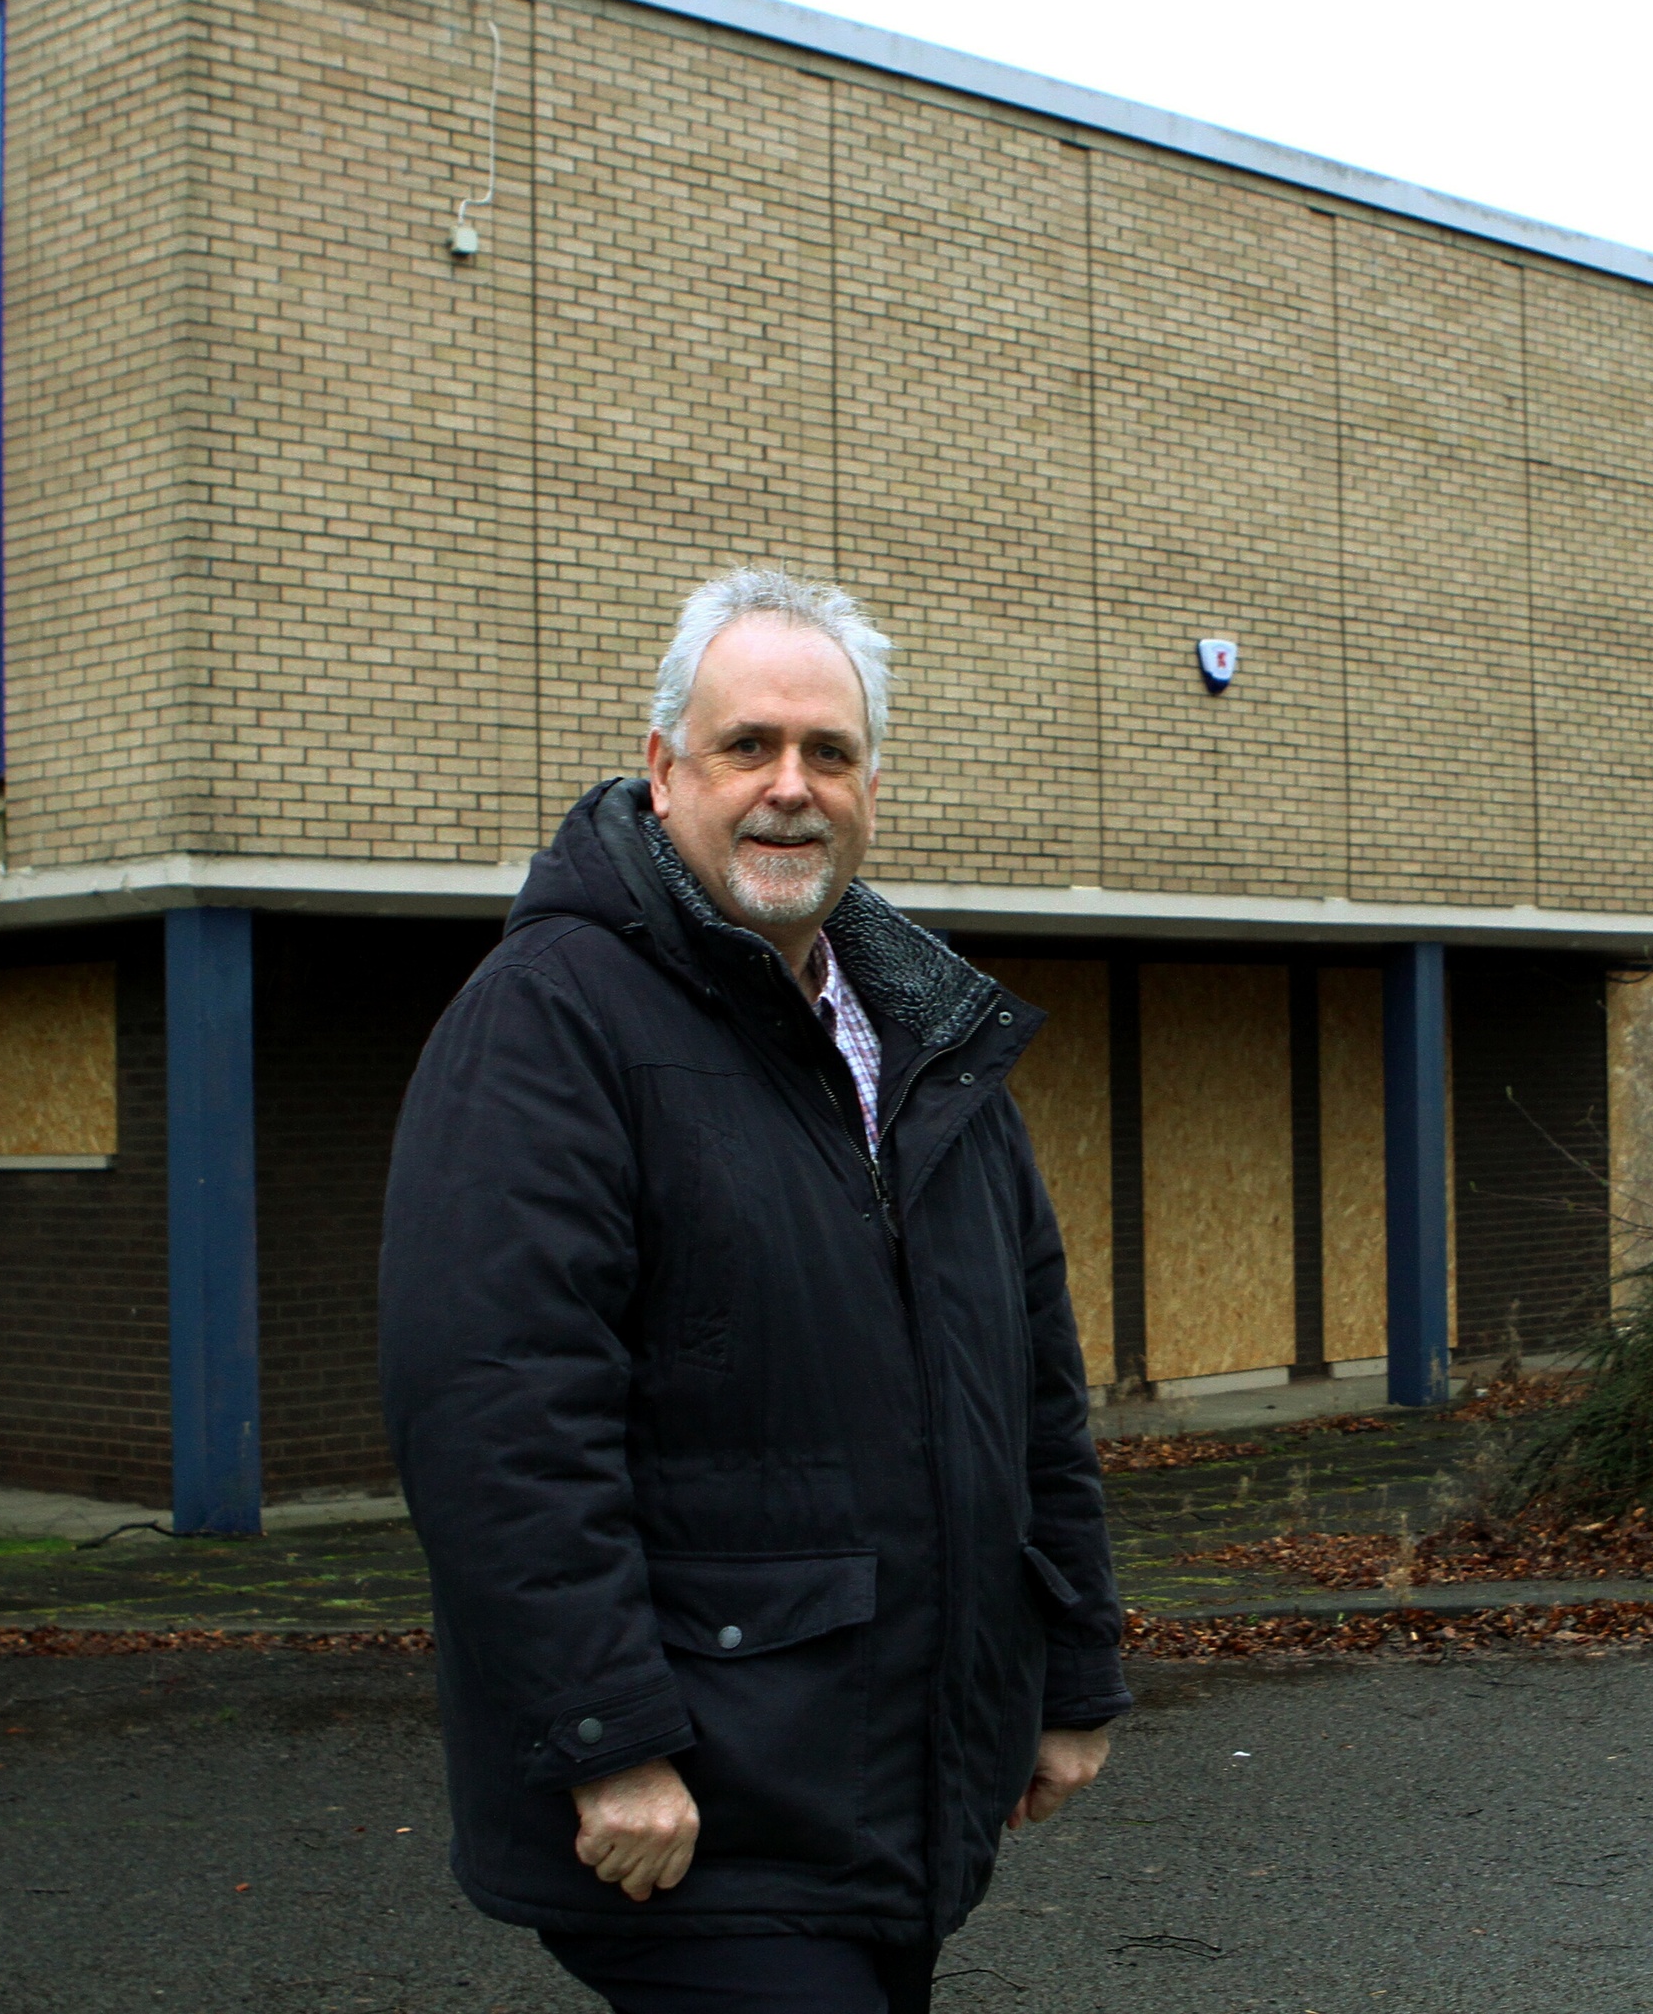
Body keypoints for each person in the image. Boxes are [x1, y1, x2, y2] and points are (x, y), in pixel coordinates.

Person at [380, 568, 1128, 2014]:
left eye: (829, 753)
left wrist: (1073, 1669)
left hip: (882, 1791)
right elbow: (495, 1408)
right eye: (749, 748)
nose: (792, 787)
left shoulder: (921, 1040)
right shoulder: (553, 1019)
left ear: (869, 784)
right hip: (700, 1803)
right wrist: (605, 1736)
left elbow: (1034, 1385)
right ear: (665, 769)